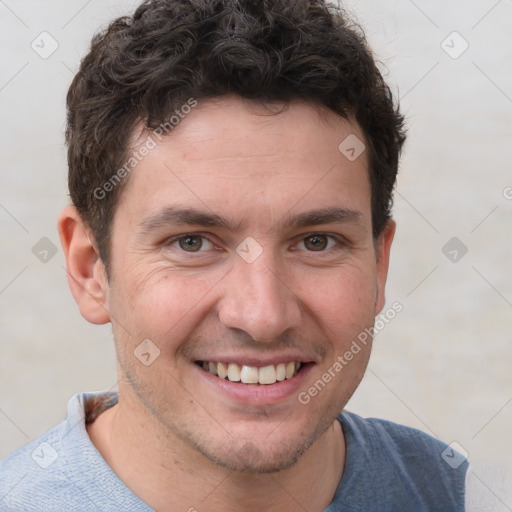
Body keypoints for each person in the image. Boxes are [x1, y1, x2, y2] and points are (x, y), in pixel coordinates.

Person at [0, 0, 468, 510]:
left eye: (316, 241)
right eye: (192, 242)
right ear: (90, 268)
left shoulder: (447, 490)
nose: (263, 316)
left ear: (379, 265)